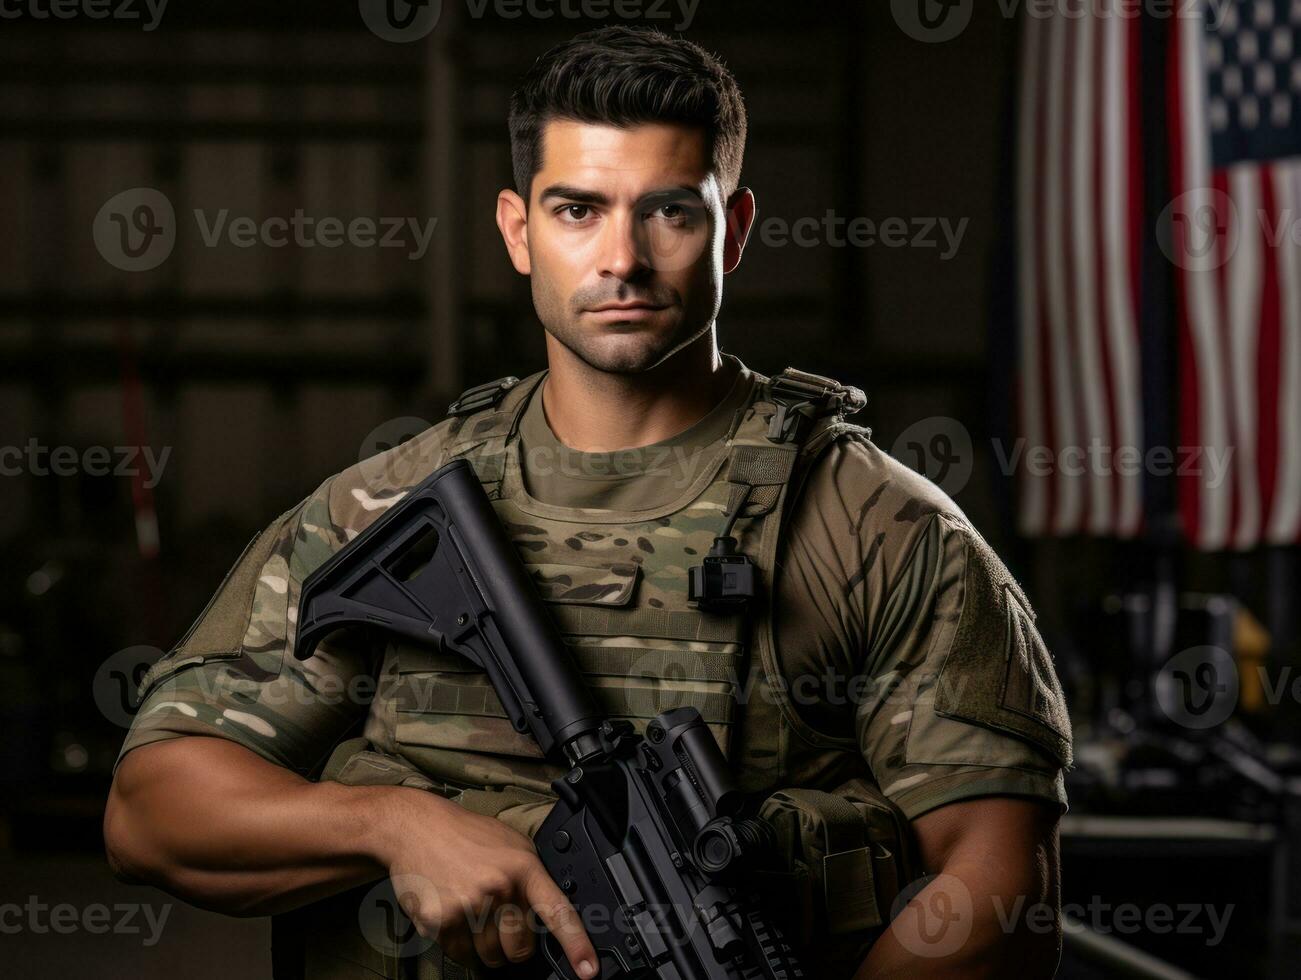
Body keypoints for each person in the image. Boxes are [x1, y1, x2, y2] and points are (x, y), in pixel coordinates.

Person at [104, 25, 1072, 980]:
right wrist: (391, 826)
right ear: (517, 232)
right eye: (577, 210)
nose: (622, 257)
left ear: (731, 229)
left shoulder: (871, 526)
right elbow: (151, 808)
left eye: (668, 213)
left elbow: (999, 886)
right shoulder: (385, 507)